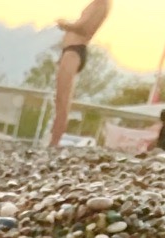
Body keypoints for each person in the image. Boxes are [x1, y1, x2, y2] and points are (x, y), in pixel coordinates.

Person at [50, 0, 109, 146]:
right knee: (59, 98)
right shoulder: (95, 4)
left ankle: (55, 142)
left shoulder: (103, 5)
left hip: (75, 50)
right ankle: (54, 139)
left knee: (63, 100)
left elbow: (85, 28)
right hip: (70, 50)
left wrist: (66, 25)